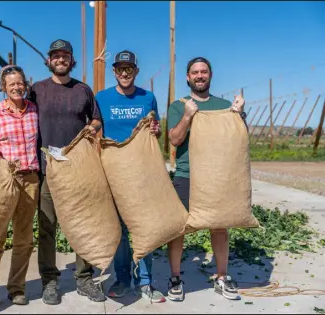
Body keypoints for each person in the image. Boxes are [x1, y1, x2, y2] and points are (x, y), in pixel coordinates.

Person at [0, 39, 106, 305]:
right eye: (56, 56)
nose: (60, 59)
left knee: (82, 225)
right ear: (49, 61)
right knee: (48, 227)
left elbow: (96, 119)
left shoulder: (83, 90)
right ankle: (50, 281)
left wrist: (92, 129)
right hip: (47, 171)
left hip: (77, 170)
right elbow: (13, 107)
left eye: (65, 55)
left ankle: (84, 279)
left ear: (71, 61)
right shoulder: (37, 90)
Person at [166, 57, 246, 302]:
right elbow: (175, 139)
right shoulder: (179, 106)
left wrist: (239, 115)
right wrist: (189, 116)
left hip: (217, 175)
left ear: (210, 75)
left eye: (204, 72)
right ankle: (176, 278)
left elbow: (239, 138)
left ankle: (222, 277)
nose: (199, 76)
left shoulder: (224, 105)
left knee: (219, 226)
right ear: (188, 78)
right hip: (186, 174)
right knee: (178, 227)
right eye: (195, 72)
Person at [94, 50, 165, 303]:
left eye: (129, 69)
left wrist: (156, 130)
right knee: (121, 230)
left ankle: (145, 282)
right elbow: (94, 129)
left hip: (142, 173)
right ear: (114, 71)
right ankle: (123, 278)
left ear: (136, 71)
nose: (124, 73)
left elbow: (154, 130)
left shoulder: (148, 98)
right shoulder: (101, 98)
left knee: (145, 227)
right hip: (114, 172)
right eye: (120, 69)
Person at [0, 65, 40, 312]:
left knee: (24, 239)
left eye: (20, 83)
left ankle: (17, 289)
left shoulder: (35, 110)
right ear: (4, 87)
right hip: (4, 182)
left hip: (30, 180)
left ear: (26, 84)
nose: (16, 87)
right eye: (11, 84)